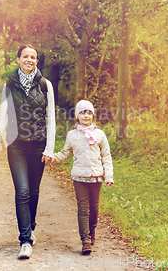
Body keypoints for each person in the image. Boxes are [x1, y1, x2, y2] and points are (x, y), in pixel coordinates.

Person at [0, 44, 55, 259]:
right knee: (22, 191)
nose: (29, 60)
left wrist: (49, 148)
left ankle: (30, 225)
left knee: (33, 192)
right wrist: (0, 141)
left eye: (33, 57)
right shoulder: (9, 86)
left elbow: (51, 118)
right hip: (17, 146)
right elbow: (3, 116)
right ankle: (25, 240)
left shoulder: (45, 84)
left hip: (39, 146)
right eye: (25, 56)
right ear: (18, 59)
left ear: (37, 61)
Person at [52, 100, 113, 255]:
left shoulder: (99, 134)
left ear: (92, 115)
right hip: (79, 178)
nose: (86, 115)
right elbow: (65, 153)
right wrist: (52, 158)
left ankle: (92, 230)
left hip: (96, 177)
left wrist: (109, 176)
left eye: (89, 112)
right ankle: (85, 240)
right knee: (83, 209)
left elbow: (106, 156)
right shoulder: (72, 135)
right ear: (77, 115)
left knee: (94, 208)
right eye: (82, 112)